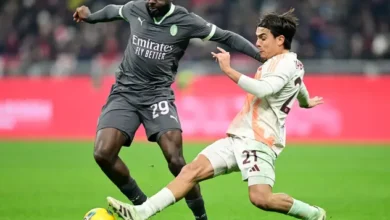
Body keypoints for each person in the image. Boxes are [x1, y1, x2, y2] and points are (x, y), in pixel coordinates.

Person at [106, 8, 327, 220]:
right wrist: (306, 102)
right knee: (190, 171)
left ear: (280, 40)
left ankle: (313, 214)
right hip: (238, 137)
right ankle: (141, 213)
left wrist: (229, 70)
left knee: (261, 198)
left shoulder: (284, 65)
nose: (257, 43)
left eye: (263, 37)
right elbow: (299, 85)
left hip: (260, 142)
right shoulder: (289, 64)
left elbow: (264, 89)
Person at [73, 1, 262, 220]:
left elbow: (227, 36)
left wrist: (260, 56)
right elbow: (113, 11)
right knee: (102, 154)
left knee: (175, 160)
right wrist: (90, 16)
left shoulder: (186, 21)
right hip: (124, 93)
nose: (151, 1)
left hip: (157, 95)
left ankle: (201, 217)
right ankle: (142, 206)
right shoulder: (136, 8)